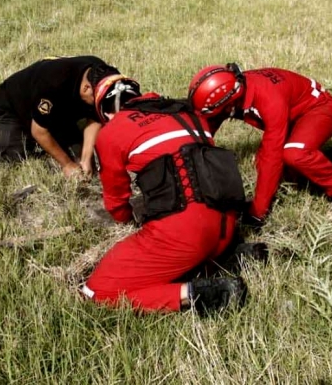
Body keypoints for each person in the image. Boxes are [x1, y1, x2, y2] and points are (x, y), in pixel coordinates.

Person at [81, 67, 248, 314]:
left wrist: (130, 221)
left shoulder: (112, 132)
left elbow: (117, 204)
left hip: (186, 234)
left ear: (106, 111)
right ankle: (221, 258)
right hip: (228, 224)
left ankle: (200, 294)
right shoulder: (190, 113)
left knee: (95, 292)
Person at [187, 63, 332, 226]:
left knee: (293, 155)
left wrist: (257, 213)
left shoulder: (269, 100)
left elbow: (272, 158)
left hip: (320, 109)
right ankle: (328, 159)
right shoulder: (235, 87)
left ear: (229, 103)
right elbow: (205, 129)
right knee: (290, 172)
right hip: (295, 115)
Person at [0, 56, 111, 178]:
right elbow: (39, 131)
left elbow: (94, 116)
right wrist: (67, 165)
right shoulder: (53, 84)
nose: (97, 104)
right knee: (13, 157)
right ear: (86, 88)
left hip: (59, 111)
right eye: (95, 100)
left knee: (82, 160)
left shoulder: (101, 73)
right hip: (15, 105)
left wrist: (87, 157)